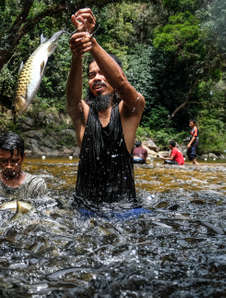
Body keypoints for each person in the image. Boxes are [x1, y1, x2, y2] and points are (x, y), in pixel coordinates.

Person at [66, 8, 145, 207]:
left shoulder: (130, 111)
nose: (97, 78)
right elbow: (72, 100)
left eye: (103, 73)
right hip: (84, 210)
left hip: (124, 210)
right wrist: (77, 54)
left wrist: (91, 43)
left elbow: (123, 85)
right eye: (91, 75)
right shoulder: (83, 114)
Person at [0, 132, 47, 200]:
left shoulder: (35, 186)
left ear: (23, 157)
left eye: (14, 161)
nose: (9, 166)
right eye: (4, 161)